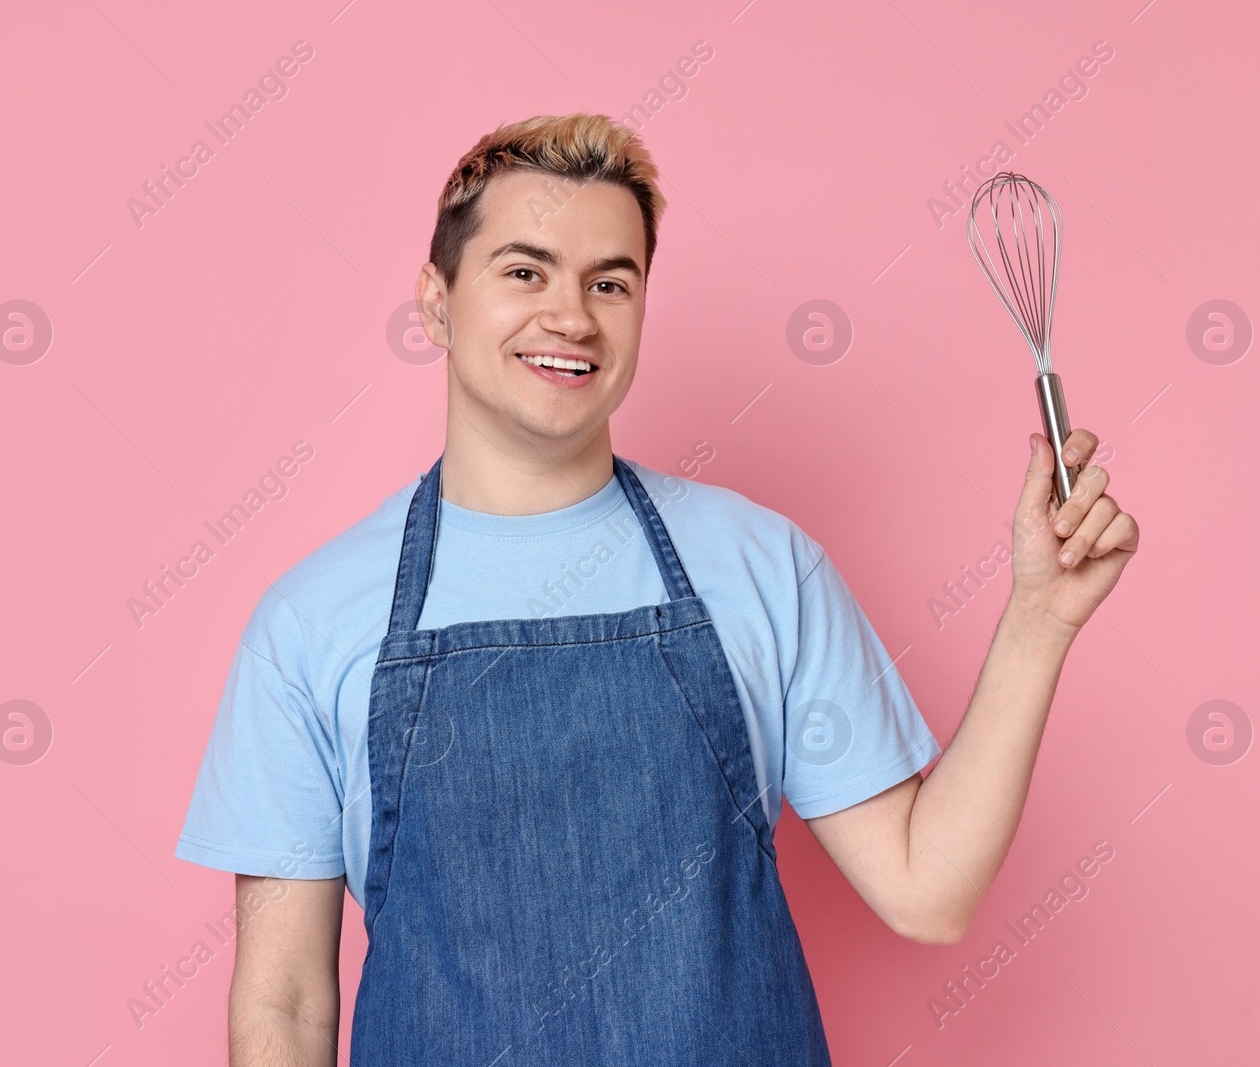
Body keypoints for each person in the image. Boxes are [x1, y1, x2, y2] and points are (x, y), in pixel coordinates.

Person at [174, 112, 1139, 1066]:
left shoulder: (764, 566)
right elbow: (286, 1001)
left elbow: (927, 889)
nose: (572, 316)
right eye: (524, 271)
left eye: (611, 281)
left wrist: (1039, 619)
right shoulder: (309, 621)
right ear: (436, 301)